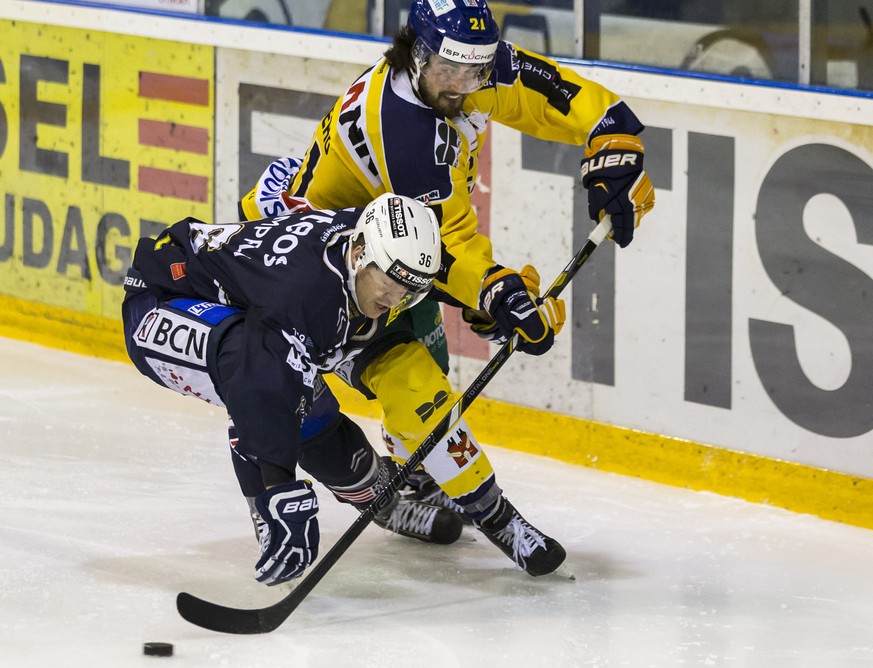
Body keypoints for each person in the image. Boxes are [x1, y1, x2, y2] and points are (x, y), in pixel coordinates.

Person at [238, 0, 655, 577]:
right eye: (449, 71)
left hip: (387, 250)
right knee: (301, 393)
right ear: (416, 52)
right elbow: (445, 250)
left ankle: (421, 474)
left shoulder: (465, 65)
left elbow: (550, 92)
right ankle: (379, 495)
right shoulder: (403, 128)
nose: (462, 85)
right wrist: (494, 293)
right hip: (313, 262)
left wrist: (613, 134)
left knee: (422, 366)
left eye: (475, 70)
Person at [122, 193, 465, 586]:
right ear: (359, 253)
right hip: (160, 302)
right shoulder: (303, 294)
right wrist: (279, 489)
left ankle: (381, 502)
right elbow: (258, 385)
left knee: (314, 419)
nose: (392, 301)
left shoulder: (373, 240)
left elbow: (437, 271)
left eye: (405, 292)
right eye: (387, 284)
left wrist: (496, 299)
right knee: (260, 389)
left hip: (252, 309)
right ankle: (268, 517)